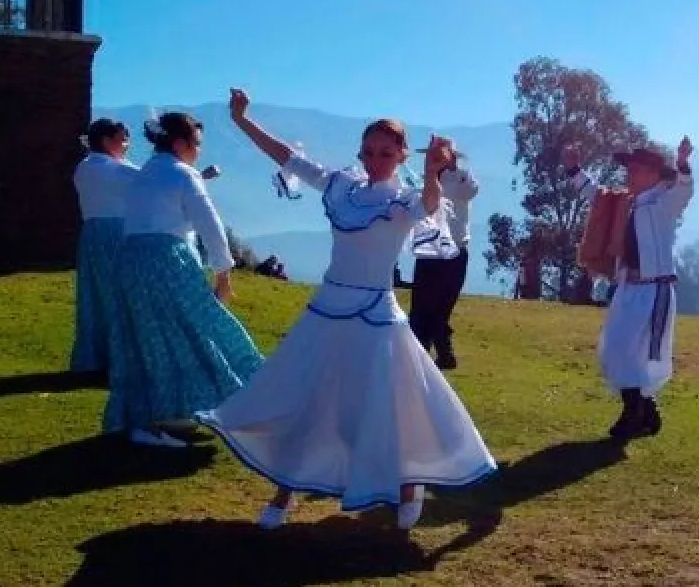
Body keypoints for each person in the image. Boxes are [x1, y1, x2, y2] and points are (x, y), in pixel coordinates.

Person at [196, 89, 497, 531]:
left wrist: (434, 170)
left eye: (385, 153)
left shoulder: (403, 200)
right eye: (369, 151)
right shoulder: (343, 187)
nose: (375, 160)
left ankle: (409, 484)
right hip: (327, 311)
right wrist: (242, 120)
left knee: (389, 407)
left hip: (377, 317)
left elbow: (430, 205)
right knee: (307, 399)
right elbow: (287, 157)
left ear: (401, 155)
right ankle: (283, 492)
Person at [107, 112, 265, 449]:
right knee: (200, 327)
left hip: (129, 260)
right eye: (196, 143)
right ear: (180, 144)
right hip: (167, 259)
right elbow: (210, 224)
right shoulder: (183, 174)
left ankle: (151, 415)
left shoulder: (143, 174)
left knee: (148, 336)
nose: (198, 151)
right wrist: (223, 273)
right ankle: (217, 402)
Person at [562, 137, 695, 441]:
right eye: (629, 169)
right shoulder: (626, 202)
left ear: (653, 174)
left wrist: (683, 163)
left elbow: (685, 190)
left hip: (654, 289)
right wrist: (574, 170)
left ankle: (634, 414)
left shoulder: (664, 203)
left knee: (634, 352)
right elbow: (595, 195)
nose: (629, 175)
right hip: (628, 286)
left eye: (636, 170)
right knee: (615, 348)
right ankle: (645, 411)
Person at [69, 118, 138, 375]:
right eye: (123, 140)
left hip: (91, 234)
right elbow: (151, 183)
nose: (127, 145)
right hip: (117, 233)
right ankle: (121, 356)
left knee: (94, 297)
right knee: (120, 296)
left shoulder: (84, 168)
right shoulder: (117, 170)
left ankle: (93, 356)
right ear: (107, 142)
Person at [409, 158, 479, 369]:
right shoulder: (425, 178)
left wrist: (455, 169)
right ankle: (423, 356)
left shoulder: (462, 178)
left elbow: (471, 190)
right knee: (421, 308)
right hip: (428, 251)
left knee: (442, 307)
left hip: (454, 250)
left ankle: (441, 354)